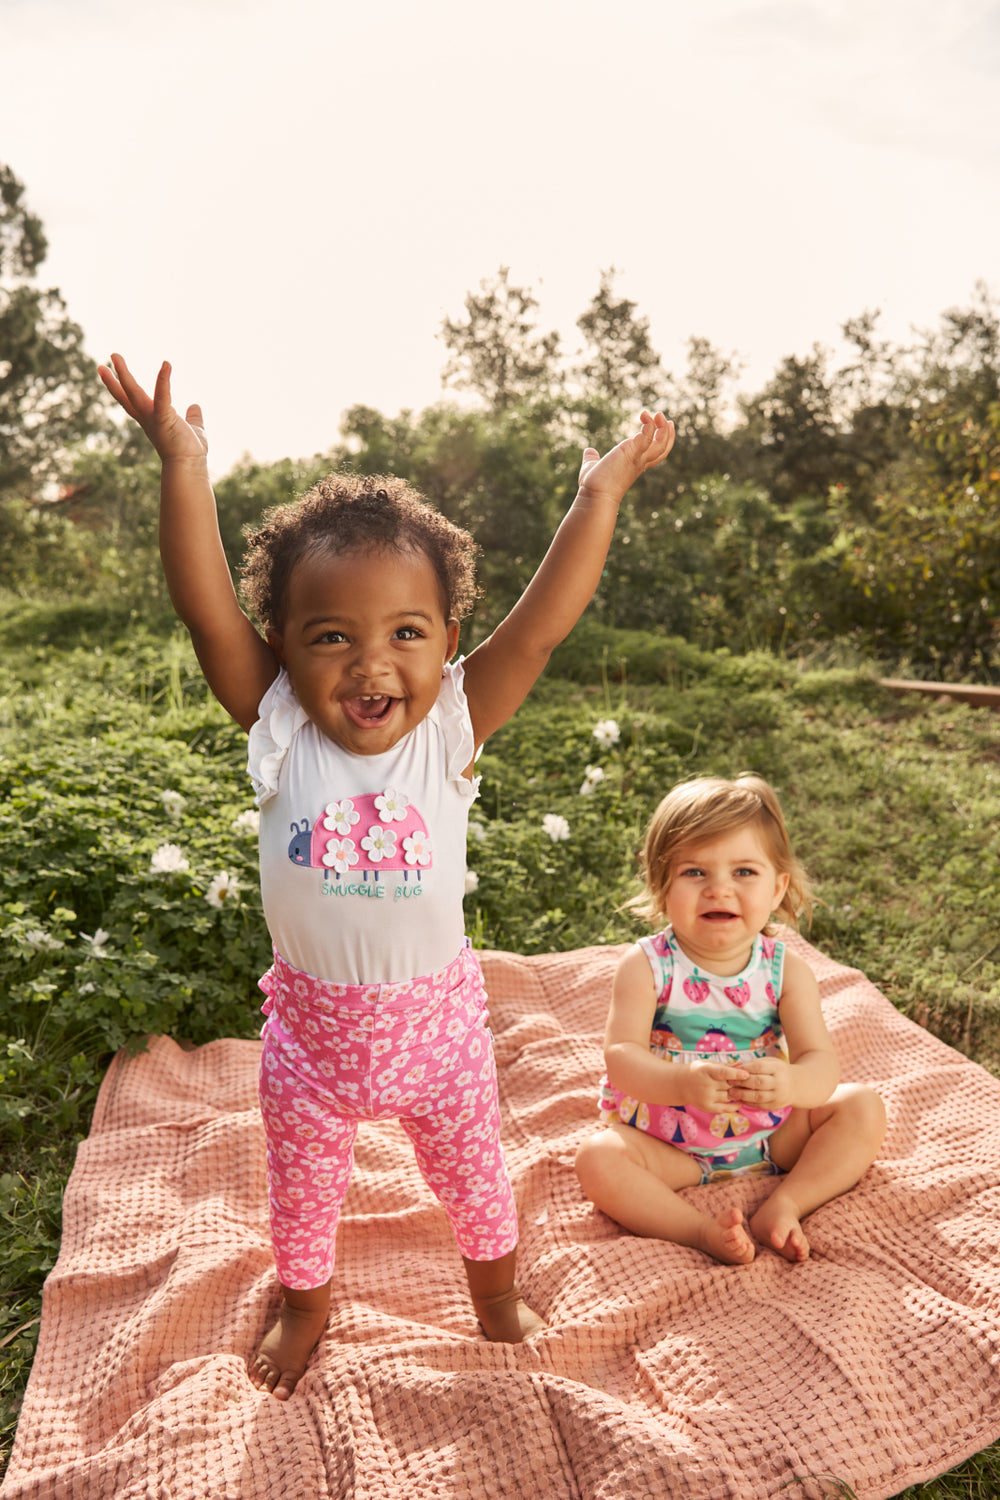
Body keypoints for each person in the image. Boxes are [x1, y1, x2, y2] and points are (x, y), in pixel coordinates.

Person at [99, 354, 675, 1400]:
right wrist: (184, 465)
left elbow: (541, 626)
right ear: (282, 648)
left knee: (476, 1183)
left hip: (441, 1036)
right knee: (302, 1198)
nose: (372, 665)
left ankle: (495, 1297)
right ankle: (307, 1306)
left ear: (447, 644)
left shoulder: (448, 727)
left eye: (406, 634)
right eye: (333, 638)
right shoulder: (279, 727)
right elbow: (205, 611)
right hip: (312, 1047)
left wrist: (598, 494)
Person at [575, 774, 885, 1266]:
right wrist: (682, 1084)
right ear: (661, 884)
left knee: (862, 1107)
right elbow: (621, 1059)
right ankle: (697, 1231)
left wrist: (791, 1082)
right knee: (597, 1159)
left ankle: (787, 1203)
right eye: (695, 872)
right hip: (668, 1144)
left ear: (778, 885)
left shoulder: (785, 969)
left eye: (744, 872)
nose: (720, 888)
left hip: (770, 1136)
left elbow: (821, 1064)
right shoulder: (647, 965)